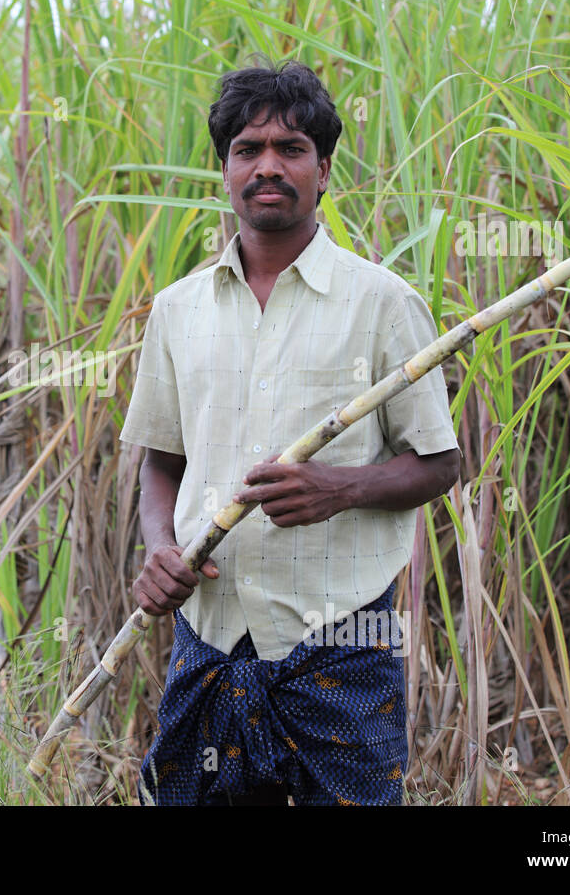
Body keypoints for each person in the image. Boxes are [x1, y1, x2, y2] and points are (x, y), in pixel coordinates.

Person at [118, 56, 461, 805]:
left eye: (291, 149)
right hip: (208, 635)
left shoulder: (384, 303)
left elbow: (438, 463)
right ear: (225, 169)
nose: (268, 166)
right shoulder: (177, 311)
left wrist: (339, 488)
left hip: (339, 640)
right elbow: (162, 461)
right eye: (248, 149)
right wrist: (159, 549)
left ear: (325, 169)